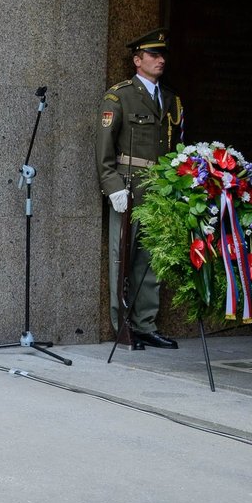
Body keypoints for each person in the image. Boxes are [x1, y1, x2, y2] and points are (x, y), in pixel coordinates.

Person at [95, 27, 182, 350]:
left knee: (150, 260)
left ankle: (146, 323)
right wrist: (112, 185)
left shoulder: (171, 100)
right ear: (137, 60)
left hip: (158, 188)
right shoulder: (119, 96)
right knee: (122, 258)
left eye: (163, 55)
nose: (160, 60)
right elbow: (104, 148)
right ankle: (122, 326)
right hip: (129, 187)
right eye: (153, 55)